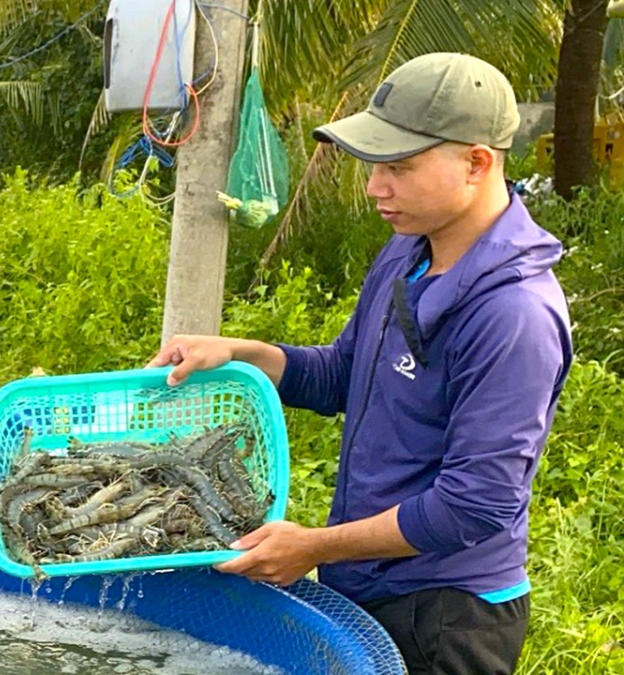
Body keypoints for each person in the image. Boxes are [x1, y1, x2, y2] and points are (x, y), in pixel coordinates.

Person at [148, 53, 572, 674]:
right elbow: (346, 373)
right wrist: (240, 353)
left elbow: (475, 504)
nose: (376, 188)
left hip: (444, 615)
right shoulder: (409, 250)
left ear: (477, 163)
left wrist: (314, 547)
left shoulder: (515, 316)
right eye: (376, 165)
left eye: (400, 167)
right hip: (365, 580)